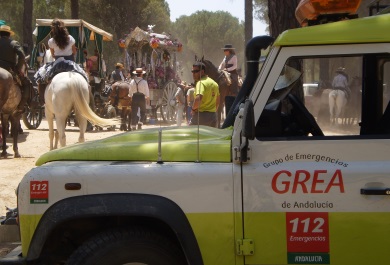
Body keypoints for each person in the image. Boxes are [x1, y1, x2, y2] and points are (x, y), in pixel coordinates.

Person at [34, 18, 87, 104]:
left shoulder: (51, 41)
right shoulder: (71, 38)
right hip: (70, 63)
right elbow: (74, 52)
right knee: (84, 76)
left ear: (53, 29)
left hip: (57, 63)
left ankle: (42, 100)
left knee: (42, 77)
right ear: (64, 28)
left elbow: (53, 54)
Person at [0, 24, 32, 114]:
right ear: (9, 34)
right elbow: (22, 56)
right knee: (27, 83)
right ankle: (21, 107)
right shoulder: (13, 43)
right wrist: (18, 68)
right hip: (9, 68)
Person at [190, 62, 220, 127]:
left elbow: (198, 99)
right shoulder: (214, 83)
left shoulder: (200, 83)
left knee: (192, 135)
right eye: (192, 71)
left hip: (200, 116)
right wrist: (213, 111)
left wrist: (193, 109)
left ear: (202, 71)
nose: (193, 74)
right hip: (213, 116)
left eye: (196, 71)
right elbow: (217, 101)